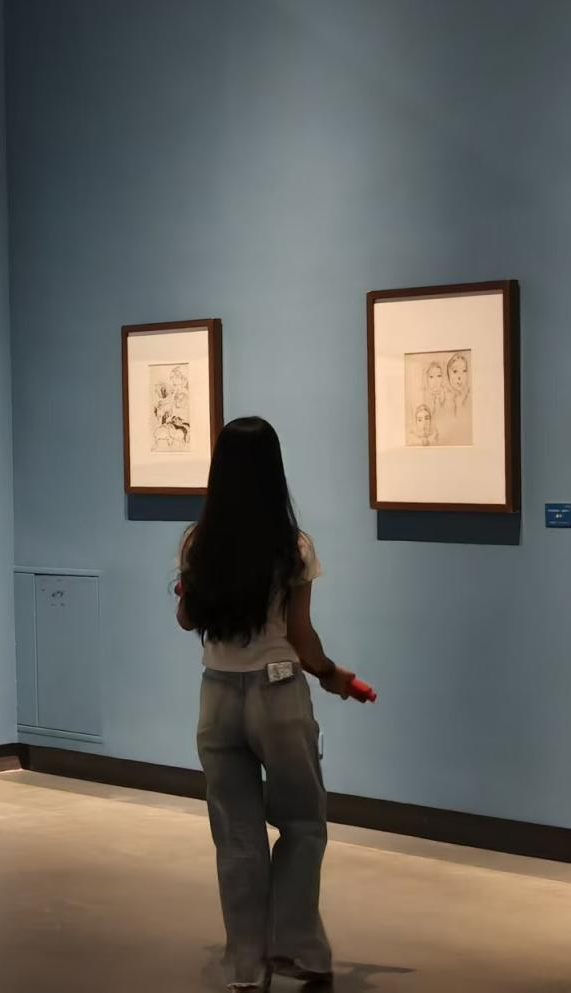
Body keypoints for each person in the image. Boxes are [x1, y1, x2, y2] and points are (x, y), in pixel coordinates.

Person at [175, 417, 370, 991]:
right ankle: (298, 948)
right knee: (303, 823)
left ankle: (245, 966)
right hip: (278, 692)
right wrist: (334, 676)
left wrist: (188, 590)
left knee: (236, 837)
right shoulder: (293, 547)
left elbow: (187, 619)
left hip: (216, 696)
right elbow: (301, 636)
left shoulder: (198, 542)